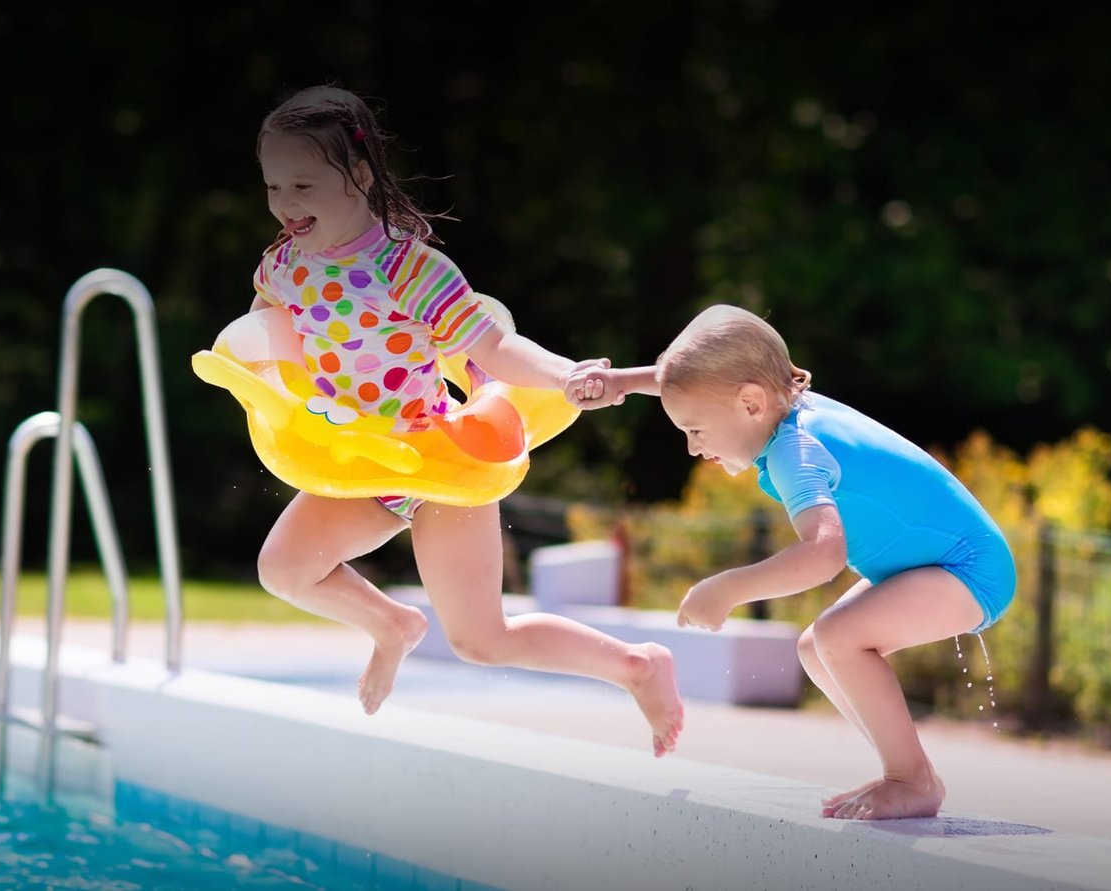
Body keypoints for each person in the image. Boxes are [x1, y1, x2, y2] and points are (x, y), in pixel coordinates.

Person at [238, 85, 684, 757]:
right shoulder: (282, 268)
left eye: (303, 183)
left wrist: (564, 374)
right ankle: (392, 625)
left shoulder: (407, 267)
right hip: (359, 463)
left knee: (482, 640)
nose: (286, 204)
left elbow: (494, 348)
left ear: (358, 174)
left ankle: (639, 665)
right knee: (285, 569)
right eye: (274, 186)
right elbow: (266, 341)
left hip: (441, 461)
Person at [569, 304, 1015, 816]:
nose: (693, 449)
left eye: (695, 430)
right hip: (939, 564)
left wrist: (728, 589)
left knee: (838, 638)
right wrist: (622, 382)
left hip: (967, 569)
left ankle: (911, 780)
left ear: (751, 405)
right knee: (814, 648)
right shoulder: (785, 404)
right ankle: (912, 773)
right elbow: (710, 381)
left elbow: (824, 554)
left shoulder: (793, 452)